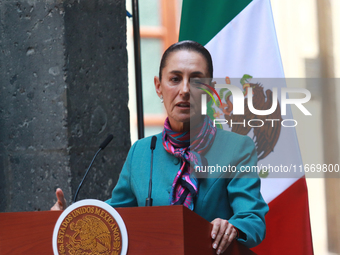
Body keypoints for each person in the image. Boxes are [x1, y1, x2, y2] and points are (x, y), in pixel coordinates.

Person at [52, 40, 269, 254]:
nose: (184, 90)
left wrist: (232, 228)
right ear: (158, 86)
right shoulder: (141, 151)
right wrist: (68, 218)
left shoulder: (237, 148)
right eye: (175, 79)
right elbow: (115, 214)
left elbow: (251, 218)